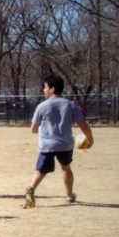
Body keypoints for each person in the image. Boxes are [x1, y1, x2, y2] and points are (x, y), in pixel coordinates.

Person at [23, 75, 93, 208]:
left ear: (52, 89)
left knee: (41, 171)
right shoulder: (71, 105)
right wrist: (90, 139)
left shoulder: (42, 106)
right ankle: (69, 196)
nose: (43, 90)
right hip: (65, 144)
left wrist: (47, 129)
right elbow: (83, 125)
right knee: (65, 168)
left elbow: (33, 129)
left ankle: (31, 189)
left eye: (45, 87)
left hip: (47, 145)